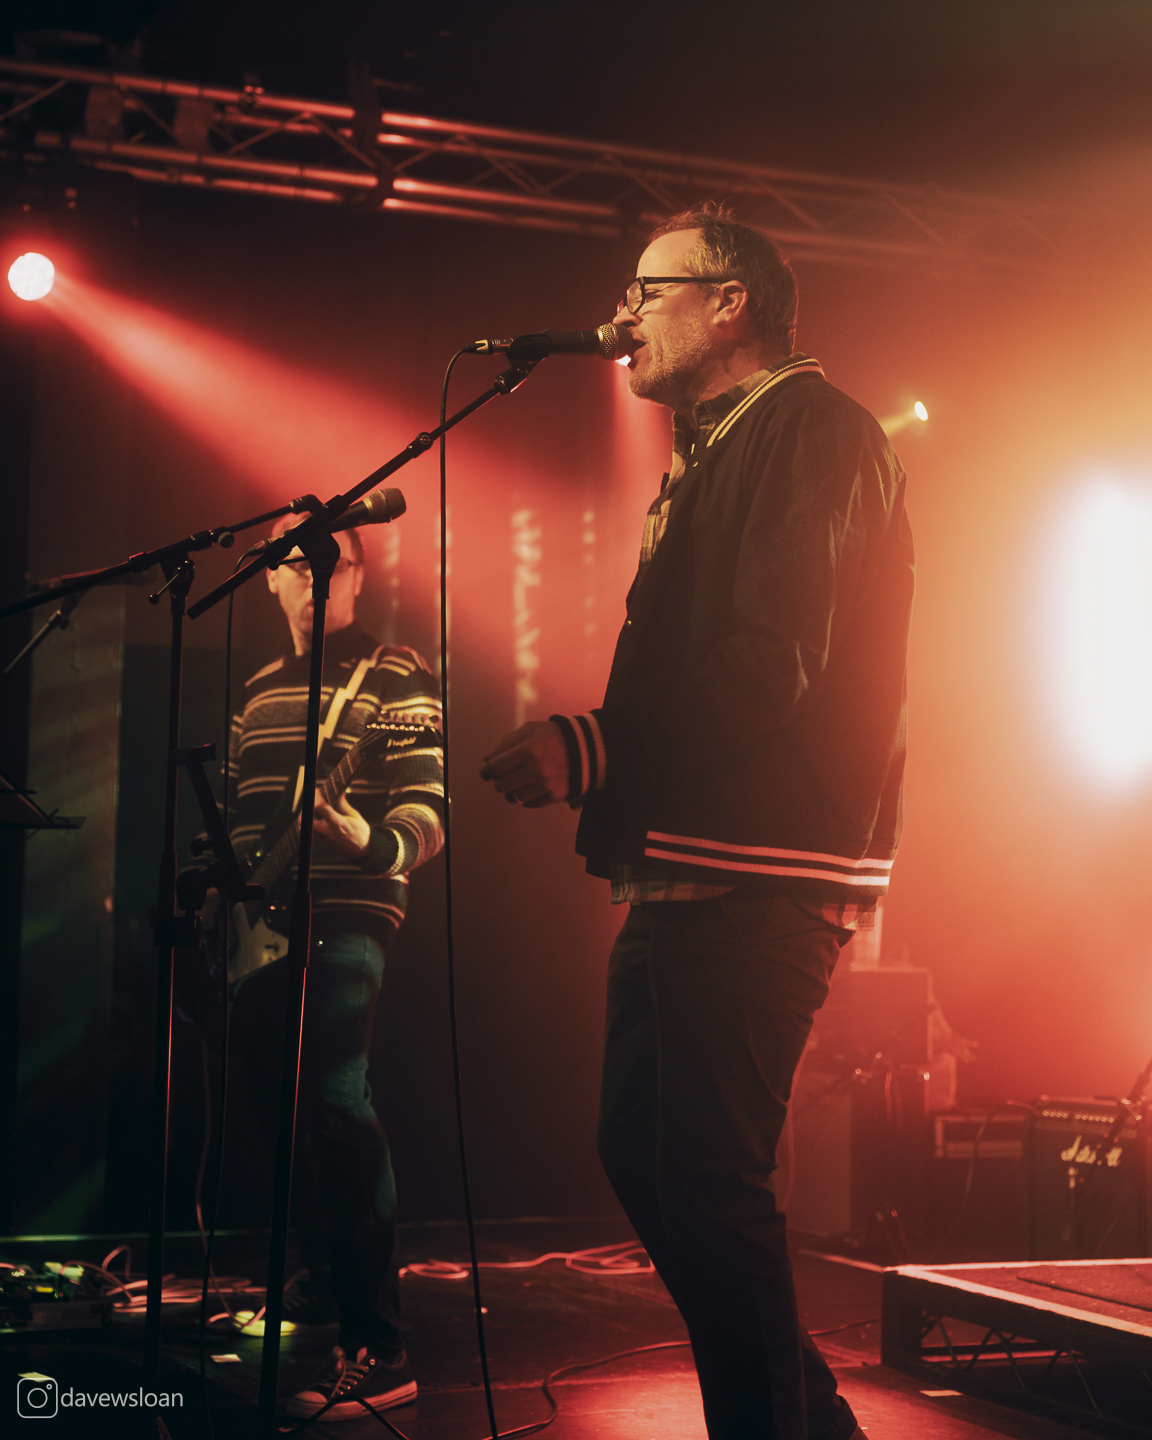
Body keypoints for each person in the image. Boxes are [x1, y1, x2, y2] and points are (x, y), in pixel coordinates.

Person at [480, 205, 913, 1439]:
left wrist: (594, 745)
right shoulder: (722, 443)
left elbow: (774, 659)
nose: (621, 315)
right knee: (640, 1151)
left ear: (730, 304)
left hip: (764, 867)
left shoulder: (816, 430)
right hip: (691, 860)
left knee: (713, 1183)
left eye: (646, 289)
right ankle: (809, 1419)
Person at [214, 518, 443, 1421]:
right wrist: (220, 897)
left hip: (350, 909)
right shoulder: (258, 690)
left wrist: (368, 839)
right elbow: (239, 818)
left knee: (338, 1098)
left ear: (358, 575)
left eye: (330, 563)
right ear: (270, 580)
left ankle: (380, 1341)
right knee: (278, 1101)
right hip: (258, 927)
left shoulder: (394, 676)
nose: (312, 579)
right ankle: (320, 1273)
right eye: (293, 564)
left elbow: (427, 807)